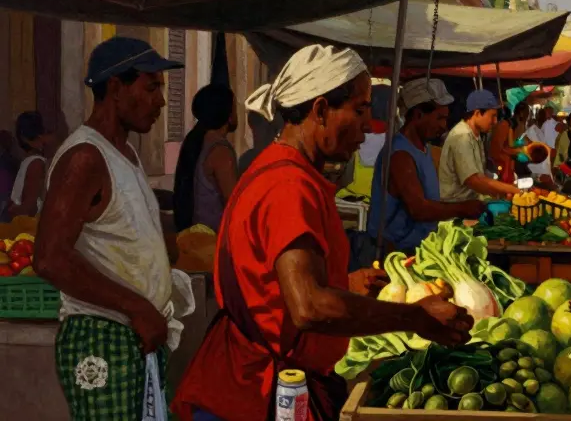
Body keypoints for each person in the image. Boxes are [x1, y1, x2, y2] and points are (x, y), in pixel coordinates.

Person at [173, 45, 473, 421]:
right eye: (360, 109)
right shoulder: (289, 185)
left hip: (247, 376)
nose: (369, 123)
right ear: (319, 110)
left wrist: (343, 282)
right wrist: (414, 317)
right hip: (255, 392)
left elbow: (275, 285)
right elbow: (309, 306)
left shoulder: (280, 168)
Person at [34, 37, 191, 420]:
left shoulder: (124, 152)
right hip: (102, 337)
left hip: (134, 334)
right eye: (151, 87)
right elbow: (49, 258)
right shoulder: (85, 157)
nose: (160, 101)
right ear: (116, 89)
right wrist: (137, 306)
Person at [371, 78, 485, 254]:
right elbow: (419, 209)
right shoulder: (400, 155)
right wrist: (463, 208)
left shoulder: (424, 149)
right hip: (395, 253)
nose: (443, 126)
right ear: (418, 115)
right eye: (439, 118)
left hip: (420, 248)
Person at [173, 85, 239, 232]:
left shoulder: (198, 141)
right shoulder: (221, 151)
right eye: (235, 108)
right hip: (211, 242)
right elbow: (233, 205)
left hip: (195, 237)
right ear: (228, 115)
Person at [438, 90, 522, 203]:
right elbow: (474, 180)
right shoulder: (462, 136)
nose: (495, 121)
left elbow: (481, 174)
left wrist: (502, 187)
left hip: (471, 202)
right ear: (477, 113)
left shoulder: (475, 135)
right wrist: (514, 190)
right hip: (456, 207)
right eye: (492, 116)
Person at [9, 111, 54, 218]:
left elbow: (29, 206)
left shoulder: (34, 163)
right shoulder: (33, 163)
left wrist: (12, 209)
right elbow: (28, 206)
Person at [490, 101, 532, 184]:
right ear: (521, 113)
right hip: (502, 163)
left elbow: (522, 141)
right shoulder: (505, 125)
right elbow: (499, 147)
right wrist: (517, 152)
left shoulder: (520, 124)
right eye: (527, 113)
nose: (528, 116)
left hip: (511, 162)